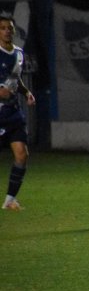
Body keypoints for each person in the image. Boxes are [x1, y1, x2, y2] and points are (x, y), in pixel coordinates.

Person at [0, 16, 36, 211]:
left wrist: (27, 92)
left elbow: (16, 79)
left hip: (14, 113)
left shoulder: (20, 54)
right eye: (3, 28)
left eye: (9, 28)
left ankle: (10, 199)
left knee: (22, 155)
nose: (7, 31)